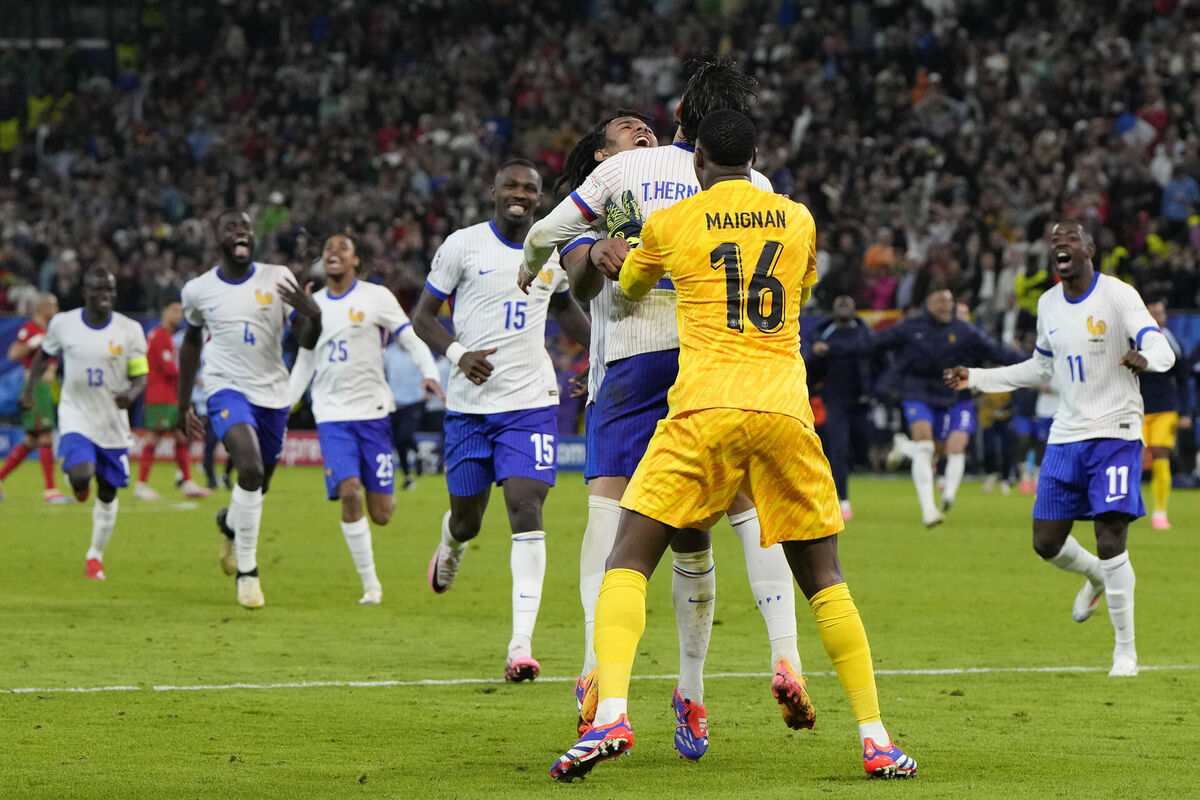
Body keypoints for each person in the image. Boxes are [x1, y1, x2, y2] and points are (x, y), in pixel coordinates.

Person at [551, 110, 916, 783]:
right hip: (783, 410)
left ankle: (610, 715)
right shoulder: (797, 217)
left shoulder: (673, 221)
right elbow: (798, 289)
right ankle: (876, 737)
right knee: (826, 577)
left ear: (695, 162)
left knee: (628, 555)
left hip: (703, 407)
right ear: (756, 156)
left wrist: (609, 250)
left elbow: (629, 287)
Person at [522, 59, 813, 759]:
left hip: (632, 358)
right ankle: (738, 673)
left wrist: (537, 267)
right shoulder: (761, 187)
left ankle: (600, 672)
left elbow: (546, 238)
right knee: (727, 520)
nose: (643, 131)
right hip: (722, 368)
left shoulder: (621, 177)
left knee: (610, 514)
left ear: (680, 114)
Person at [945, 219, 1176, 677]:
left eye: (1069, 239)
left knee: (1111, 538)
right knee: (1045, 542)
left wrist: (1146, 359)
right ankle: (1092, 575)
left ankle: (1125, 652)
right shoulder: (1049, 304)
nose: (1060, 245)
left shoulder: (1118, 295)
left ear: (1089, 248)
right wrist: (979, 378)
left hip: (1116, 432)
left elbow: (1161, 347)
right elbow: (1039, 368)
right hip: (1067, 435)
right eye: (1054, 242)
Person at [412, 159, 591, 681]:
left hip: (530, 402)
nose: (520, 194)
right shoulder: (462, 245)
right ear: (493, 192)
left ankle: (520, 645)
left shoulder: (549, 253)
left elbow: (564, 312)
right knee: (468, 517)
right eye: (511, 186)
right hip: (469, 407)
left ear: (539, 200)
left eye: (530, 189)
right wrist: (458, 354)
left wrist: (601, 356)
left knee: (525, 508)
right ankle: (451, 545)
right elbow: (423, 317)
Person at [176, 209, 322, 609]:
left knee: (259, 484)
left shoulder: (277, 278)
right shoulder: (199, 290)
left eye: (245, 227)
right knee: (251, 470)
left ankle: (228, 523)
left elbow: (306, 340)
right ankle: (248, 572)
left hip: (273, 394)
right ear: (218, 237)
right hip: (225, 389)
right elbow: (191, 345)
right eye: (231, 227)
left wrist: (315, 315)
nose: (240, 231)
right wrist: (183, 402)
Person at [288, 233, 443, 604]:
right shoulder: (314, 305)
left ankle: (386, 502)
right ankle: (371, 585)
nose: (333, 253)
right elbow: (304, 363)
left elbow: (409, 337)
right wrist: (282, 408)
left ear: (357, 260)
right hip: (332, 416)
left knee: (383, 514)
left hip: (373, 414)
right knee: (350, 493)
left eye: (342, 248)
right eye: (328, 248)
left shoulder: (376, 297)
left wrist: (429, 370)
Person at [20, 268, 148, 579]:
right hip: (76, 414)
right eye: (98, 288)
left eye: (110, 289)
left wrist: (131, 394)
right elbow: (43, 356)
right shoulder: (64, 324)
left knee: (107, 492)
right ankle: (77, 482)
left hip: (112, 422)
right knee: (82, 474)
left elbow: (140, 374)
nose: (105, 294)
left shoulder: (129, 330)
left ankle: (95, 556)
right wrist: (29, 390)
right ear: (85, 292)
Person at [875, 287, 1022, 526]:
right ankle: (928, 510)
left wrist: (1032, 360)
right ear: (928, 303)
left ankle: (905, 449)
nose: (947, 305)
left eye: (950, 301)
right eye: (941, 300)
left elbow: (995, 350)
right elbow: (876, 343)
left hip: (950, 397)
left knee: (938, 451)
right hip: (917, 393)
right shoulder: (911, 327)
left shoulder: (963, 330)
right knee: (925, 446)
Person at [805, 294, 874, 520]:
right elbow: (807, 369)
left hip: (861, 404)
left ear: (855, 308)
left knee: (863, 451)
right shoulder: (822, 337)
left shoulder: (866, 335)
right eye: (839, 301)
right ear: (833, 309)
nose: (844, 303)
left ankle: (855, 472)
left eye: (848, 301)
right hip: (834, 402)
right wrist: (815, 355)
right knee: (838, 451)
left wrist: (873, 392)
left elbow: (882, 364)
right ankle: (842, 501)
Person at [133, 301, 211, 500]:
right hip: (160, 396)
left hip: (170, 396)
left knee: (181, 437)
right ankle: (141, 485)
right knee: (154, 437)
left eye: (181, 312)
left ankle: (188, 482)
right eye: (174, 310)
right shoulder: (159, 336)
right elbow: (169, 369)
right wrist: (193, 378)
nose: (179, 315)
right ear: (164, 311)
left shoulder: (166, 336)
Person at [0, 293, 70, 503]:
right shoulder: (31, 329)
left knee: (31, 440)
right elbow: (13, 353)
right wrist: (33, 342)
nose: (57, 309)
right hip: (36, 387)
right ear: (43, 307)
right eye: (54, 305)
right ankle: (51, 491)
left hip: (46, 388)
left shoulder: (48, 332)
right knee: (46, 437)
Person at [1138, 299, 1190, 530]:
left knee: (1160, 453)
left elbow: (1182, 378)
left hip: (1165, 408)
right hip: (1137, 408)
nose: (1160, 316)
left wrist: (1185, 411)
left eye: (1161, 312)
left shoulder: (1171, 341)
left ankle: (1160, 511)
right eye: (1155, 312)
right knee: (1133, 459)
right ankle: (1128, 507)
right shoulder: (1135, 340)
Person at [384, 336, 436, 490]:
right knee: (398, 441)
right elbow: (382, 373)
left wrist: (429, 390)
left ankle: (419, 454)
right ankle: (408, 476)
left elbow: (430, 369)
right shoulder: (388, 353)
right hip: (394, 402)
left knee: (404, 436)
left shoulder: (417, 352)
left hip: (414, 401)